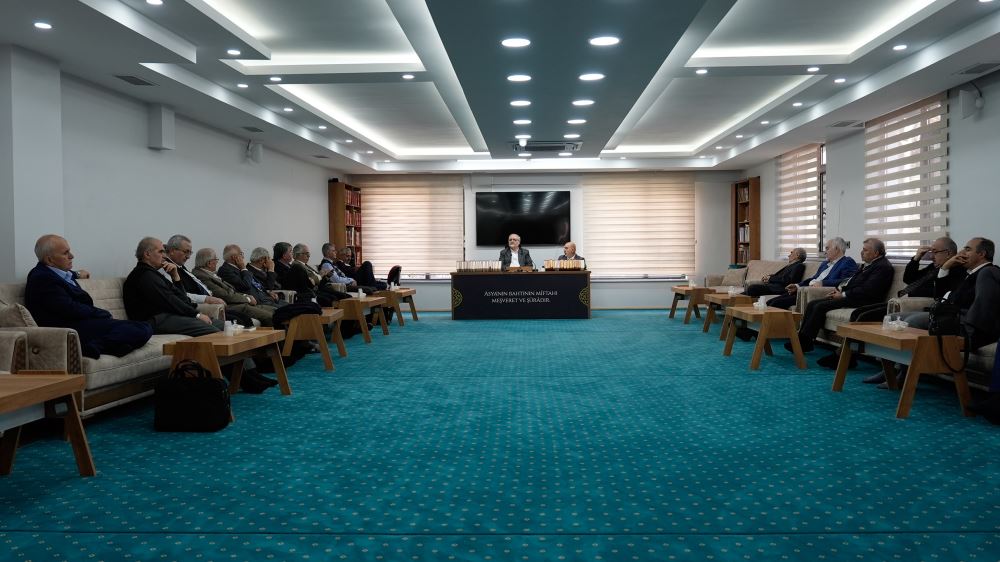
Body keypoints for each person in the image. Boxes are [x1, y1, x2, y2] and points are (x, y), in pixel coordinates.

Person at [24, 234, 152, 359]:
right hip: (69, 329)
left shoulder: (52, 271)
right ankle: (96, 346)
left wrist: (78, 274)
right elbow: (69, 308)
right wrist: (100, 313)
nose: (71, 256)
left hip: (81, 323)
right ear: (49, 260)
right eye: (65, 253)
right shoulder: (42, 279)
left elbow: (68, 275)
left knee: (141, 328)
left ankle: (113, 346)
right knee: (141, 328)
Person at [786, 238, 894, 354]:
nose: (861, 252)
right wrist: (838, 290)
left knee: (820, 306)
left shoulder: (882, 267)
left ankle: (804, 342)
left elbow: (868, 290)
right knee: (813, 304)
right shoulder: (869, 265)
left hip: (864, 300)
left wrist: (843, 295)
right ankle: (803, 340)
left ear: (876, 253)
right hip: (853, 296)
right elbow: (850, 281)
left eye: (865, 250)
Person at [123, 237, 223, 336]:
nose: (164, 256)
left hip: (170, 316)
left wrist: (176, 278)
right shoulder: (144, 275)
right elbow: (170, 300)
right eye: (161, 252)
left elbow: (184, 300)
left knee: (224, 326)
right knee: (214, 332)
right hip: (154, 321)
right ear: (147, 254)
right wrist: (196, 315)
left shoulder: (155, 274)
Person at [940, 237, 1000, 350]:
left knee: (913, 321)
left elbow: (962, 300)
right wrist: (946, 266)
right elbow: (939, 294)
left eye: (967, 249)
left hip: (963, 321)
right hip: (949, 315)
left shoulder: (989, 272)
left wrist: (949, 298)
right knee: (905, 319)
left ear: (981, 254)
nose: (961, 253)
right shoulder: (965, 272)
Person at [193, 248, 277, 326]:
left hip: (243, 302)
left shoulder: (210, 273)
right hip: (233, 305)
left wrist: (246, 296)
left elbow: (232, 290)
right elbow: (224, 295)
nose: (217, 262)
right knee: (271, 317)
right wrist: (247, 299)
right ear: (209, 263)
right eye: (216, 260)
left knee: (276, 311)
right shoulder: (202, 276)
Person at [766, 237, 857, 310]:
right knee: (770, 302)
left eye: (827, 248)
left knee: (776, 303)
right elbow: (814, 278)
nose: (825, 252)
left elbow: (846, 281)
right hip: (805, 290)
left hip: (818, 292)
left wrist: (823, 283)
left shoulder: (847, 262)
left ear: (837, 249)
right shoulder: (824, 263)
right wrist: (797, 286)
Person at [163, 234, 225, 307]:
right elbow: (177, 293)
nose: (188, 257)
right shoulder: (167, 267)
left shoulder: (181, 267)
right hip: (192, 305)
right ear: (172, 251)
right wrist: (206, 299)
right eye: (186, 252)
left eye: (190, 253)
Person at [218, 244, 284, 307]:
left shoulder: (239, 268)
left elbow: (258, 284)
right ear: (234, 257)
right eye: (241, 254)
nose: (243, 257)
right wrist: (243, 268)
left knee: (288, 307)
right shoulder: (225, 270)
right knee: (287, 310)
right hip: (258, 302)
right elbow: (245, 285)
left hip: (266, 297)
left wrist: (267, 292)